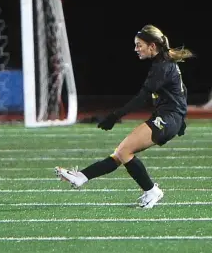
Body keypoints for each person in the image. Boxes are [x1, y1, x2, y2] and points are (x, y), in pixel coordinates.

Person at [55, 24, 194, 208]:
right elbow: (181, 90)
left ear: (152, 46)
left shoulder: (162, 67)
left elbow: (142, 98)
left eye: (139, 45)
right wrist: (181, 118)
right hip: (170, 118)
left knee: (123, 151)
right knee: (120, 153)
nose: (136, 49)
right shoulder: (165, 63)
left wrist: (115, 115)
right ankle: (81, 177)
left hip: (168, 119)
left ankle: (152, 191)